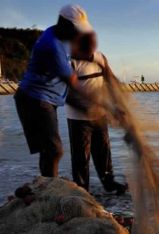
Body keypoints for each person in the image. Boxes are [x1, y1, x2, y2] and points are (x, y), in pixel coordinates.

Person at [14, 4, 97, 177]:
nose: (80, 33)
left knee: (49, 149)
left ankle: (46, 183)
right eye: (78, 28)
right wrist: (99, 103)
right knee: (54, 150)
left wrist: (90, 57)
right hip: (35, 99)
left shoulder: (60, 35)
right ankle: (51, 189)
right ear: (65, 23)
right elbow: (72, 81)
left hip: (46, 98)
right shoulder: (51, 44)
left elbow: (73, 53)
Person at [65, 32, 127, 194]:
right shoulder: (70, 63)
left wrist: (118, 104)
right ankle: (82, 190)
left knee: (104, 151)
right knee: (81, 156)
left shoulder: (100, 58)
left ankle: (109, 183)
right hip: (78, 119)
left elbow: (111, 81)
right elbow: (68, 95)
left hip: (100, 116)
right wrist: (90, 108)